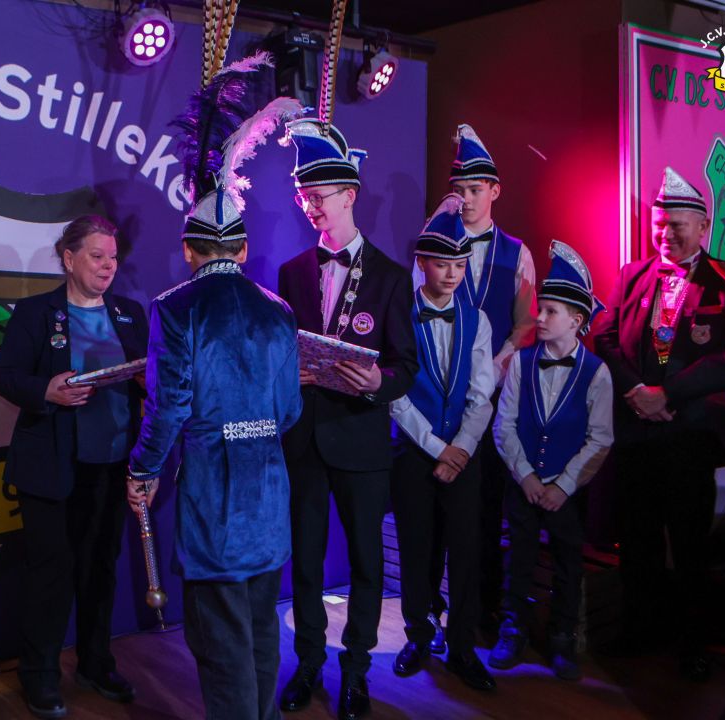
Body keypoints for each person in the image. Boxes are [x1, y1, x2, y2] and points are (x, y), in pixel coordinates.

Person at [127, 58, 303, 720]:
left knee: (218, 643)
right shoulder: (278, 311)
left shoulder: (174, 309)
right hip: (268, 501)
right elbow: (288, 411)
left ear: (188, 248)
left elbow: (169, 404)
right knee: (259, 633)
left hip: (214, 503)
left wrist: (142, 469)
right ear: (243, 247)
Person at [276, 118, 418, 720]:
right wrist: (289, 373)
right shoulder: (290, 273)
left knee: (365, 561)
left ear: (350, 195)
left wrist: (379, 382)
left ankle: (355, 669)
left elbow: (406, 366)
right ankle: (308, 660)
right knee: (306, 561)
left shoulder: (391, 276)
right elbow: (281, 353)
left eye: (319, 196)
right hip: (305, 440)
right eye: (303, 198)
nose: (311, 207)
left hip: (360, 440)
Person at [595, 167, 725, 682]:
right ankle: (639, 630)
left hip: (689, 435)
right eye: (659, 224)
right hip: (636, 432)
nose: (665, 234)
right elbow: (605, 337)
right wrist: (636, 392)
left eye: (676, 225)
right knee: (637, 539)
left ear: (703, 227)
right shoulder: (632, 274)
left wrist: (668, 394)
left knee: (689, 545)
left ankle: (693, 644)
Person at [0, 214, 148, 720]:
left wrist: (150, 382)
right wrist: (47, 390)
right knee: (50, 575)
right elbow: (7, 378)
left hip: (113, 466)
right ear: (68, 258)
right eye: (97, 256)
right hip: (53, 469)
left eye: (113, 257)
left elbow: (151, 381)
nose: (108, 266)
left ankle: (95, 664)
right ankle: (39, 674)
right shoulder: (35, 313)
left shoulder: (129, 314)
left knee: (101, 571)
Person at [421, 124, 538, 645]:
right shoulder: (434, 243)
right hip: (436, 399)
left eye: (475, 189)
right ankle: (428, 614)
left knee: (485, 512)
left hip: (490, 402)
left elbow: (526, 324)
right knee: (432, 513)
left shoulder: (517, 252)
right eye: (459, 190)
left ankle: (482, 614)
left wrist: (492, 369)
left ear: (495, 191)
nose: (466, 199)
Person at [489, 240, 613, 682]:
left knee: (567, 563)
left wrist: (563, 486)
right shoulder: (521, 364)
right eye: (540, 309)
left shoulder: (597, 373)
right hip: (523, 485)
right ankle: (513, 628)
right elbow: (504, 425)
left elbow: (600, 439)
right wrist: (525, 475)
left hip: (566, 492)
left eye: (550, 312)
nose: (538, 318)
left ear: (576, 321)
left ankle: (562, 635)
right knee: (518, 559)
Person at [388, 195, 496, 691]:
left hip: (464, 455)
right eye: (441, 264)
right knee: (417, 546)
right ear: (422, 263)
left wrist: (462, 449)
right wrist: (437, 448)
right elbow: (394, 394)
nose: (451, 274)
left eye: (459, 264)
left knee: (466, 550)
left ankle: (462, 647)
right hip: (415, 453)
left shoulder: (478, 320)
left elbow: (482, 394)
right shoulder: (399, 314)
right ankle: (418, 633)